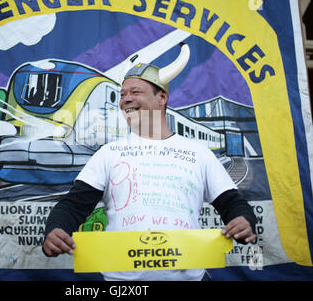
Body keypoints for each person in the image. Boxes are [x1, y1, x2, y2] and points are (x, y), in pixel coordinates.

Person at [43, 44, 257, 281]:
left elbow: (232, 203)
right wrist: (56, 228)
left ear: (161, 98)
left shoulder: (199, 154)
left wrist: (243, 220)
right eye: (122, 94)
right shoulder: (109, 153)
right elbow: (73, 206)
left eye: (135, 92)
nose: (126, 100)